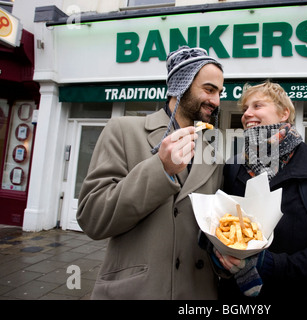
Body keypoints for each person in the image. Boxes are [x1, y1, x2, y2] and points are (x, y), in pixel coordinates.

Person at [76, 46, 224, 299]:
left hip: (198, 291)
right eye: (209, 89)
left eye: (220, 92)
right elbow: (93, 218)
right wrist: (161, 170)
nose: (217, 101)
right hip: (139, 290)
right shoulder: (123, 131)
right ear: (180, 85)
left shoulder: (214, 145)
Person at [215, 80, 307, 300]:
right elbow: (222, 224)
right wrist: (218, 254)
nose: (247, 114)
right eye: (245, 108)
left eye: (257, 106)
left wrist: (271, 265)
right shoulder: (233, 167)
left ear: (284, 113)